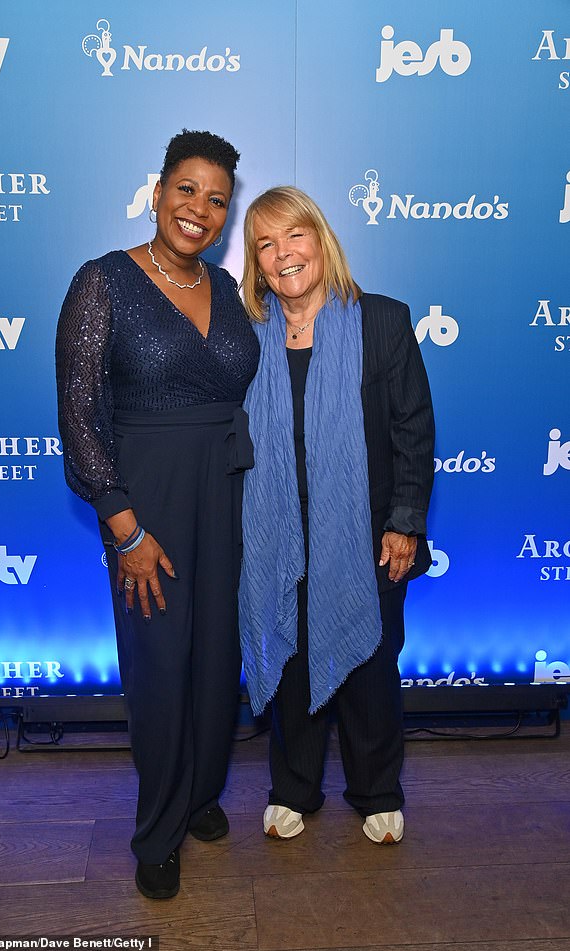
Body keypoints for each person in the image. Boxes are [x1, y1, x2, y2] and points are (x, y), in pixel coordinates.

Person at [55, 130, 259, 899]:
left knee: (215, 658)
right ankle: (158, 828)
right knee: (160, 666)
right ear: (157, 192)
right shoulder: (103, 280)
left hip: (227, 493)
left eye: (216, 199)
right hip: (149, 505)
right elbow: (78, 412)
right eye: (187, 190)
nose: (199, 209)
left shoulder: (230, 289)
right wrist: (124, 526)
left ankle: (200, 790)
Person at [238, 186, 434, 845]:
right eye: (265, 243)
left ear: (320, 241)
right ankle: (294, 788)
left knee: (370, 671)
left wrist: (404, 521)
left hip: (368, 534)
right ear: (255, 262)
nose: (282, 253)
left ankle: (377, 789)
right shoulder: (245, 338)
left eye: (294, 235)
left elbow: (413, 429)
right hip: (277, 535)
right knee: (291, 665)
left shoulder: (381, 321)